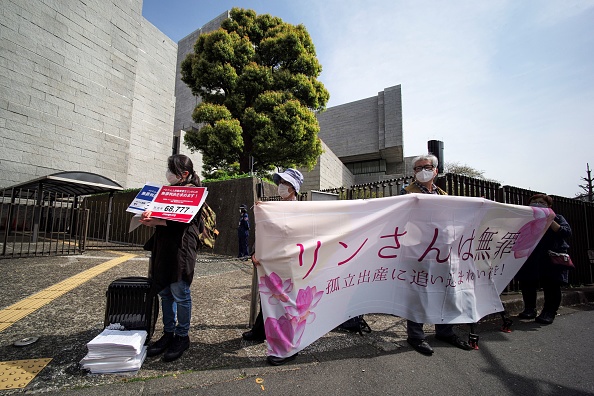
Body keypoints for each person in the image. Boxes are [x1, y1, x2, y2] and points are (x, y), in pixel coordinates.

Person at [401, 154, 473, 355]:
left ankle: (445, 330)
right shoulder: (406, 192)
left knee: (445, 290)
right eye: (417, 168)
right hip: (417, 252)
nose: (422, 171)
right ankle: (415, 335)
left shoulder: (444, 196)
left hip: (442, 251)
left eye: (426, 166)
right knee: (418, 292)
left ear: (436, 170)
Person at [140, 154, 202, 362]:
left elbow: (183, 221)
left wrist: (155, 222)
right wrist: (148, 215)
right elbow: (158, 214)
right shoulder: (165, 192)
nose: (168, 174)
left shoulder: (194, 193)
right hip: (164, 246)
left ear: (184, 174)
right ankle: (168, 333)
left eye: (172, 170)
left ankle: (182, 336)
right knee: (165, 292)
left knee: (180, 292)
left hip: (181, 248)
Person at [241, 168, 304, 366]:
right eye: (280, 182)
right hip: (271, 263)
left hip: (288, 264)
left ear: (294, 188)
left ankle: (289, 346)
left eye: (285, 183)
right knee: (267, 297)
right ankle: (261, 330)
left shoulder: (301, 211)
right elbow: (264, 233)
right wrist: (256, 252)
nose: (281, 187)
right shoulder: (273, 207)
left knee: (286, 304)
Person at [515, 194, 572, 324]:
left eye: (541, 202)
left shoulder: (558, 218)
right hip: (531, 256)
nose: (537, 204)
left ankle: (549, 312)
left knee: (551, 285)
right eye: (534, 202)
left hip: (551, 256)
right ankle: (529, 309)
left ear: (549, 206)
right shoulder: (527, 219)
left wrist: (549, 219)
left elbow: (566, 232)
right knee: (527, 282)